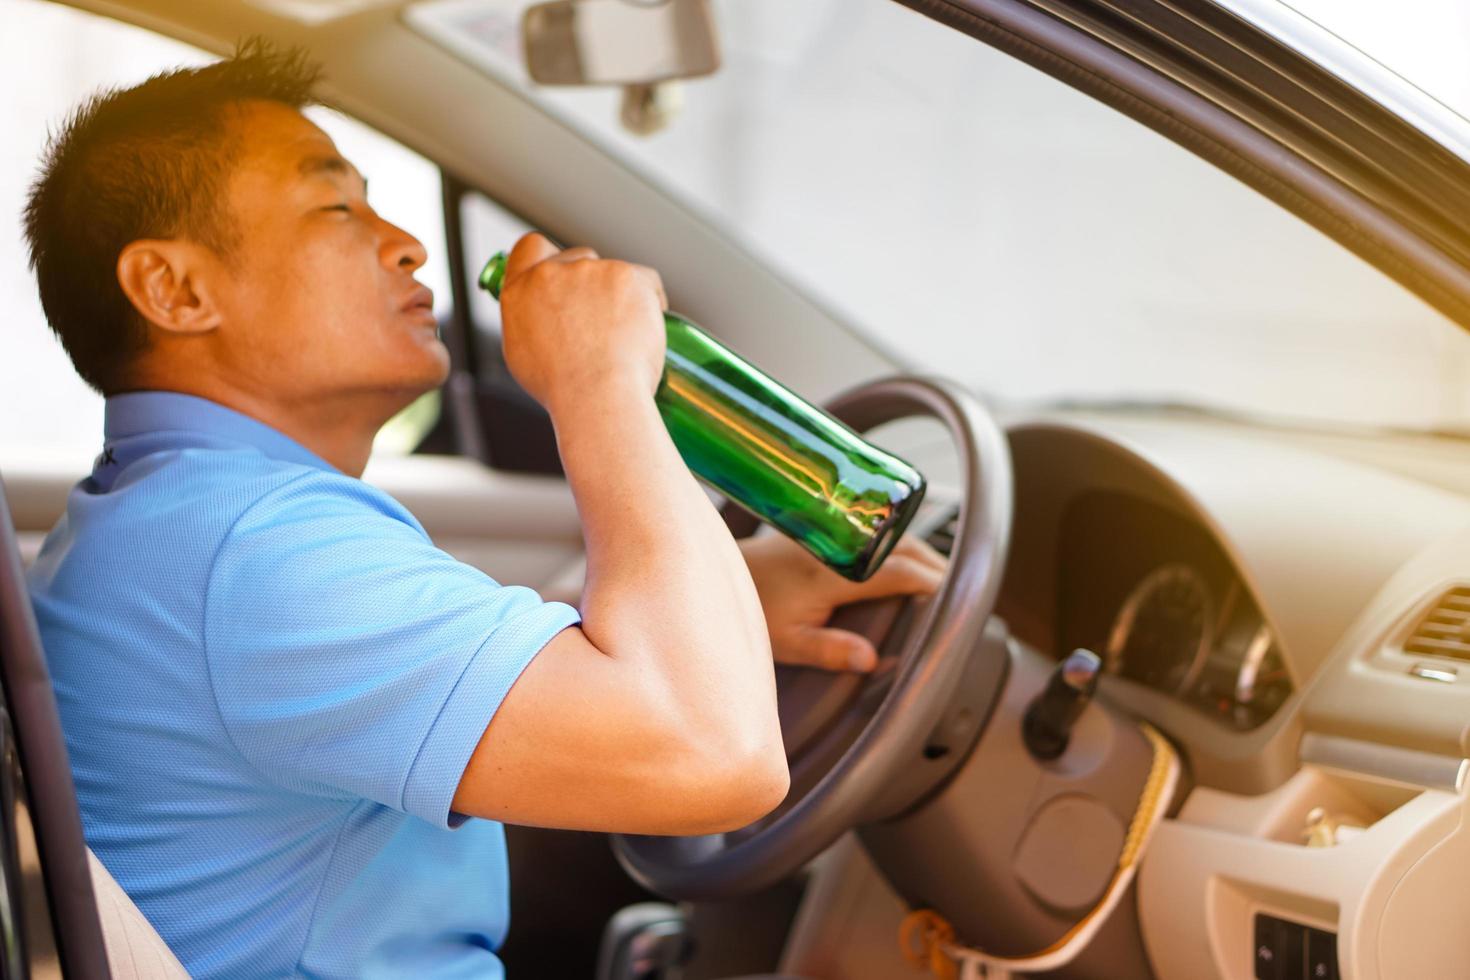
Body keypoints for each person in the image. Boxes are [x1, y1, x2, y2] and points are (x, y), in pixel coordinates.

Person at [20, 38, 944, 979]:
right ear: (175, 290)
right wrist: (598, 383)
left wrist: (714, 601)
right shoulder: (255, 551)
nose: (406, 243)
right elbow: (718, 755)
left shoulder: (177, 525)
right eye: (334, 205)